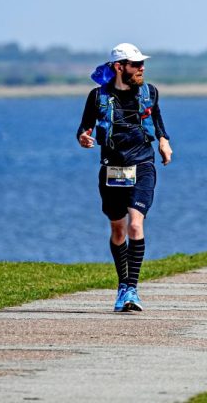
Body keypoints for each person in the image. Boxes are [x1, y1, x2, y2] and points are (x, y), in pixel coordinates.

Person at [77, 43, 172, 312]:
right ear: (120, 67)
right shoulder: (97, 97)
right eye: (136, 64)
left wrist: (164, 142)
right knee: (118, 230)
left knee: (135, 225)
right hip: (112, 168)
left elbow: (158, 122)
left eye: (142, 63)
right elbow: (84, 129)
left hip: (142, 164)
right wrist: (84, 138)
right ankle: (122, 286)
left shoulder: (150, 92)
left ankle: (132, 289)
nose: (142, 68)